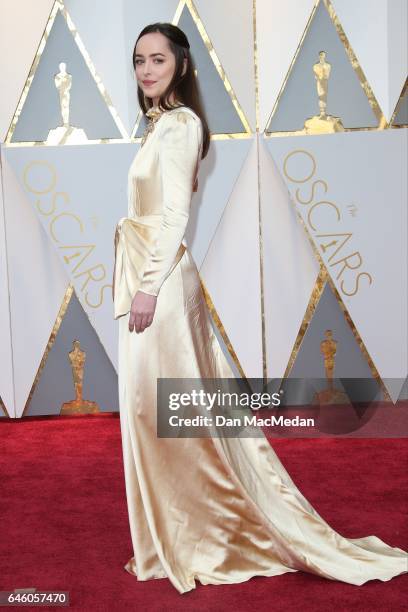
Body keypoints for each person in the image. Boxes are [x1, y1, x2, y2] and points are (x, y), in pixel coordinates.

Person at [113, 22, 408, 595]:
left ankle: (209, 535)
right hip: (155, 280)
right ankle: (186, 531)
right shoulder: (160, 125)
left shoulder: (179, 125)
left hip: (161, 285)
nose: (147, 70)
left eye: (158, 60)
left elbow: (174, 217)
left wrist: (147, 288)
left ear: (181, 66)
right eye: (139, 61)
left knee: (171, 417)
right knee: (168, 415)